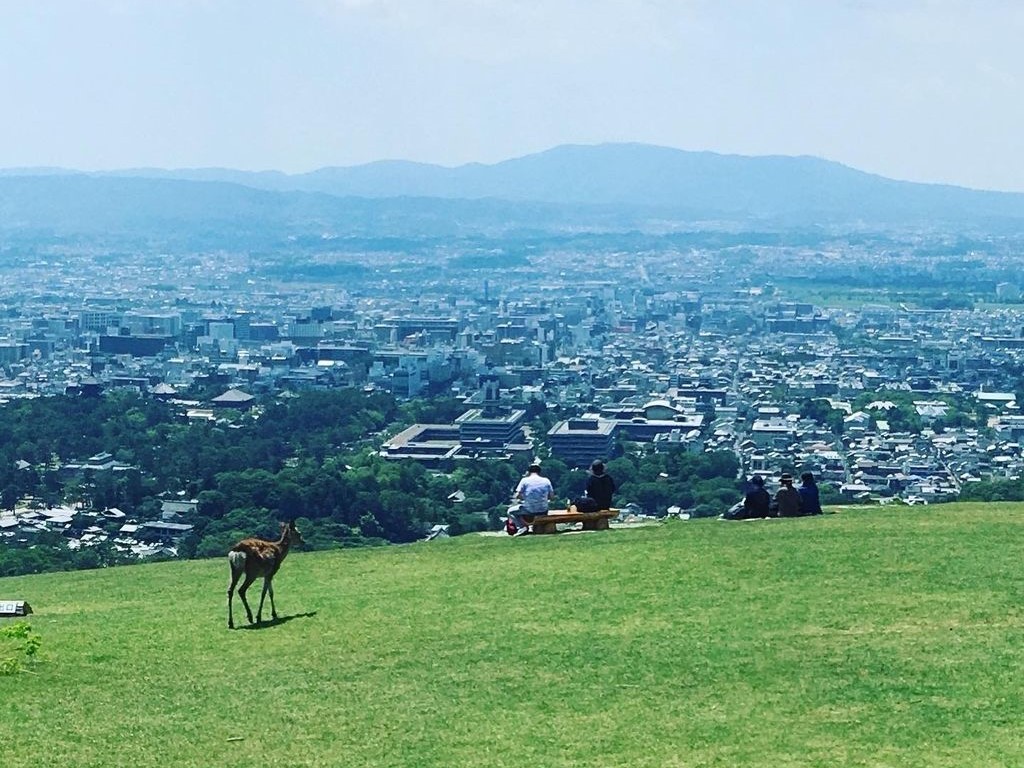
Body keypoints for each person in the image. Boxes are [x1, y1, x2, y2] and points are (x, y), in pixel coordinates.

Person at [511, 462, 555, 536]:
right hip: (543, 510)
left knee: (510, 512)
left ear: (528, 472)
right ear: (539, 472)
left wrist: (524, 499)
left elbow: (517, 495)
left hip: (530, 510)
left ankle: (522, 527)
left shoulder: (524, 480)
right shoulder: (546, 480)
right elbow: (552, 497)